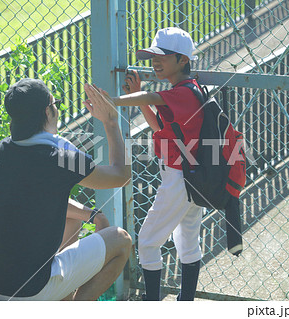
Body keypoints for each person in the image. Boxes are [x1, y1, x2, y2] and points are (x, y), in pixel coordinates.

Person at [0, 78, 132, 301]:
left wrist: (91, 215)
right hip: (29, 292)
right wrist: (111, 122)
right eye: (55, 103)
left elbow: (37, 198)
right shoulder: (63, 159)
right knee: (121, 240)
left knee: (72, 220)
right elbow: (121, 176)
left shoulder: (4, 150)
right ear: (48, 111)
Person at [109, 27, 204, 301]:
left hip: (179, 178)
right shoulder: (187, 90)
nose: (155, 61)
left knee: (148, 241)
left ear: (183, 60)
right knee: (187, 241)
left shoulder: (183, 93)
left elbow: (151, 98)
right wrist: (138, 94)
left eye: (163, 56)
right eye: (153, 56)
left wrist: (111, 101)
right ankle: (185, 302)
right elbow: (160, 125)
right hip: (192, 176)